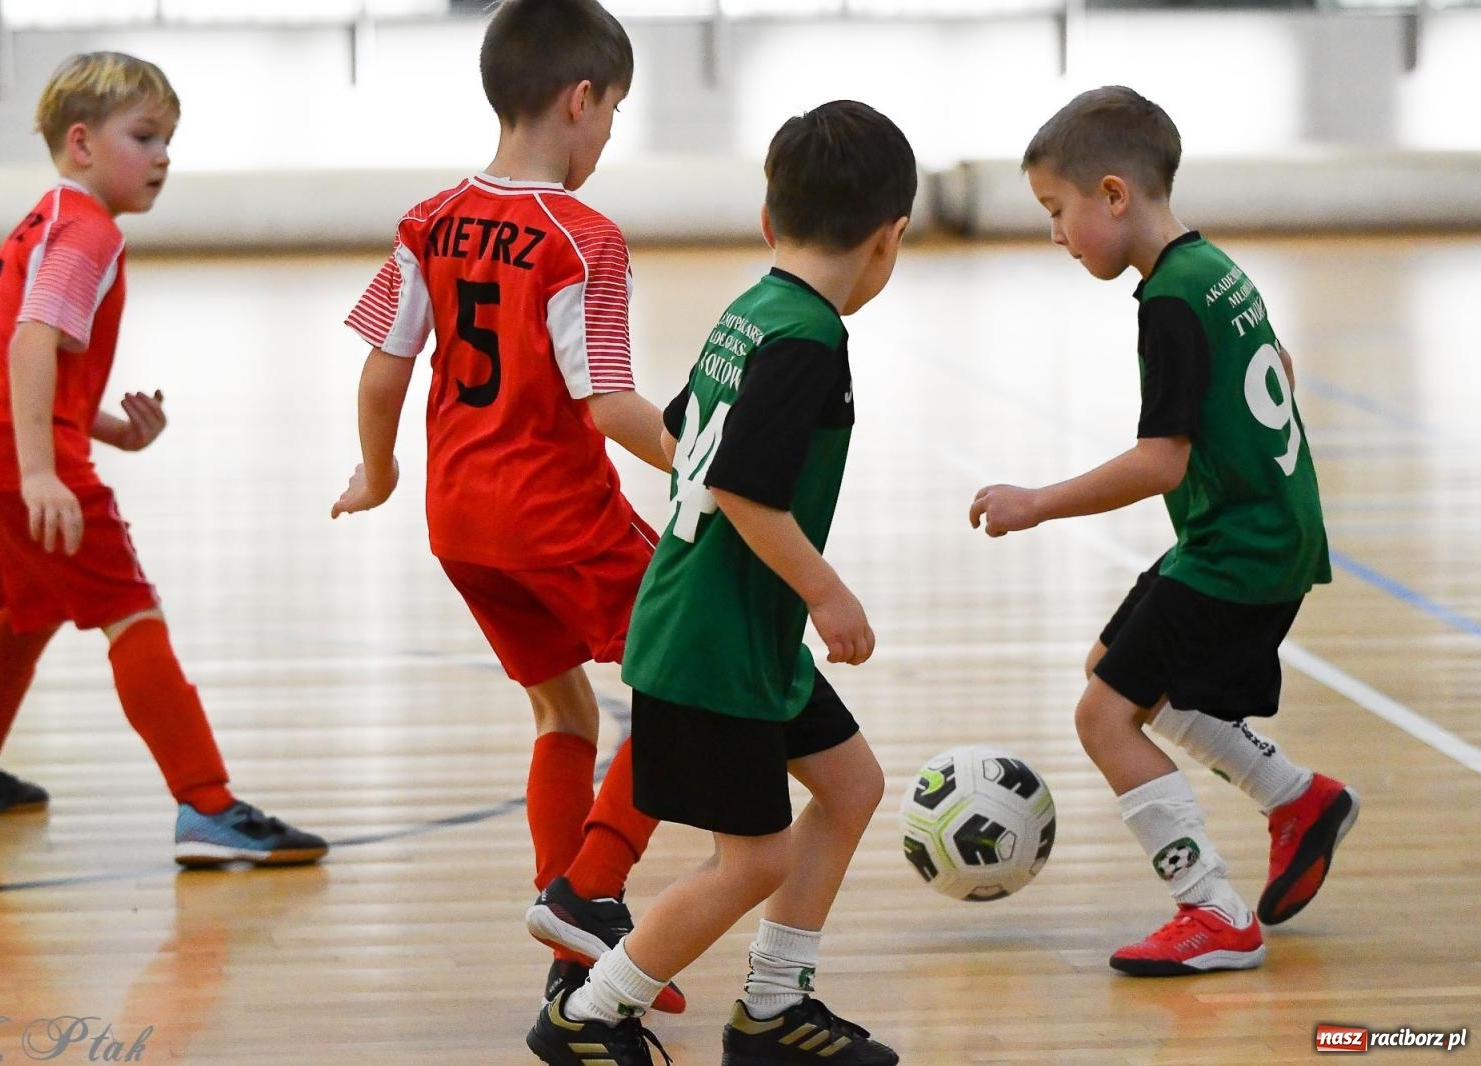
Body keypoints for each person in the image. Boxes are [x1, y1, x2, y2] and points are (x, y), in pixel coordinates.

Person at [526, 100, 915, 1066]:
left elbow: (677, 432)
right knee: (753, 858)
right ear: (890, 239)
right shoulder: (808, 340)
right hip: (715, 644)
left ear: (768, 221)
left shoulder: (752, 311)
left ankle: (774, 1007)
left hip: (735, 630)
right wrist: (827, 591)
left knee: (852, 784)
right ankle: (587, 1014)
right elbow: (741, 482)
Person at [331, 0, 684, 1013]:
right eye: (613, 111)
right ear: (581, 99)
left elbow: (381, 371)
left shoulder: (429, 219)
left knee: (561, 705)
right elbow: (609, 401)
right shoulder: (582, 237)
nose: (609, 133)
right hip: (556, 517)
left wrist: (378, 471)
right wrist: (700, 464)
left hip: (460, 524)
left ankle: (567, 941)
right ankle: (591, 884)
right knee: (685, 677)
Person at [969, 85, 1360, 975]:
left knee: (1104, 718)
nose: (1057, 235)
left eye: (1057, 211)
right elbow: (1280, 370)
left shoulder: (1167, 302)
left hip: (1241, 547)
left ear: (1114, 195)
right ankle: (1296, 798)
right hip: (1259, 529)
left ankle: (1212, 912)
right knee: (1123, 677)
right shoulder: (1212, 269)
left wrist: (1037, 501)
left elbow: (1161, 461)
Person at [0, 51, 327, 867]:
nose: (163, 156)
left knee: (30, 608)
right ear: (80, 143)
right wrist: (42, 470)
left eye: (169, 139)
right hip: (14, 456)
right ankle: (208, 805)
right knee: (130, 611)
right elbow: (34, 341)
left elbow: (26, 352)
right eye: (144, 136)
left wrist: (107, 428)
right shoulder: (87, 231)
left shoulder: (46, 217)